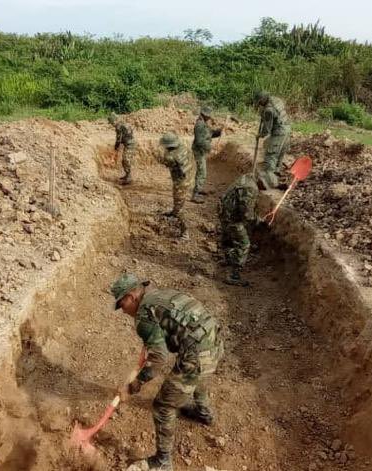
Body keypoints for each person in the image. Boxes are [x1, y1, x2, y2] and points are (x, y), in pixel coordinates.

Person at [111, 273, 223, 471]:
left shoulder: (144, 315)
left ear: (131, 297)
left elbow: (159, 359)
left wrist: (133, 386)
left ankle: (162, 462)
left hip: (197, 354)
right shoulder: (159, 295)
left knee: (163, 406)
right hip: (215, 342)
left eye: (121, 304)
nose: (122, 311)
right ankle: (203, 413)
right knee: (195, 376)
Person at [218, 174, 260, 286]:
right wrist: (257, 220)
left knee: (228, 237)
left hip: (224, 213)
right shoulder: (251, 189)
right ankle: (234, 275)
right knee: (243, 244)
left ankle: (227, 259)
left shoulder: (245, 179)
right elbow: (246, 214)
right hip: (233, 219)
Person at [155, 133, 194, 237]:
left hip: (181, 183)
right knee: (178, 201)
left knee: (179, 207)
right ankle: (174, 211)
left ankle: (185, 232)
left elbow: (163, 161)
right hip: (189, 175)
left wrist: (157, 155)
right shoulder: (183, 145)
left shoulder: (171, 156)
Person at [253, 91, 291, 189]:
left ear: (263, 99)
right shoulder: (276, 99)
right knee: (280, 154)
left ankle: (270, 182)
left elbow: (267, 129)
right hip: (287, 129)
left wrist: (259, 135)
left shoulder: (268, 110)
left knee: (271, 155)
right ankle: (277, 173)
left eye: (259, 102)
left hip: (279, 132)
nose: (259, 104)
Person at [191, 107, 223, 204]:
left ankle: (199, 188)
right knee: (202, 172)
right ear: (204, 115)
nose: (209, 117)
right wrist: (210, 148)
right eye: (208, 115)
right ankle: (195, 195)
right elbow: (199, 141)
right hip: (199, 151)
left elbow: (209, 133)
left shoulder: (203, 123)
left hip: (201, 151)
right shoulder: (199, 125)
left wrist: (218, 132)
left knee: (201, 171)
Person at [110, 114, 137, 185]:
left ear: (114, 121)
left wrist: (116, 148)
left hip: (130, 144)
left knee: (126, 159)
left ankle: (129, 178)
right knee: (124, 160)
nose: (112, 124)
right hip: (129, 143)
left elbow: (118, 140)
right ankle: (127, 175)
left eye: (111, 122)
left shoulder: (119, 126)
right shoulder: (123, 124)